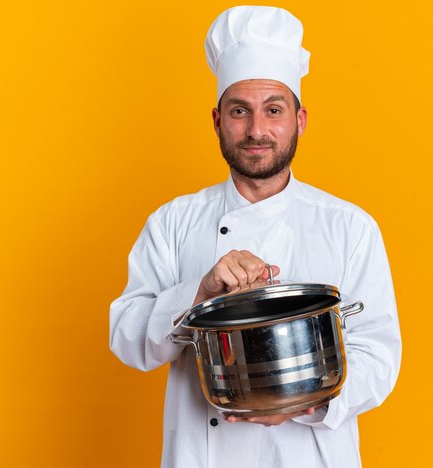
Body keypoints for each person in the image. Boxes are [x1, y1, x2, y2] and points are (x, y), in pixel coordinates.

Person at [109, 6, 401, 467]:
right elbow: (126, 339)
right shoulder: (172, 222)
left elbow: (379, 356)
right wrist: (197, 295)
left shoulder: (349, 227)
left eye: (274, 110)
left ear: (300, 119)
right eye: (239, 111)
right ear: (217, 120)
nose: (257, 130)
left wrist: (309, 401)